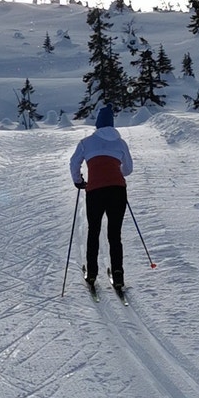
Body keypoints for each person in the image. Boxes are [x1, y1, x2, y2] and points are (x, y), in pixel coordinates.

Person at [68, 104, 133, 293]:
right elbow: (128, 169)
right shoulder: (120, 143)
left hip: (95, 190)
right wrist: (115, 173)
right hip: (118, 190)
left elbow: (74, 163)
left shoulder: (86, 142)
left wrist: (78, 181)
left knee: (93, 230)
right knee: (115, 234)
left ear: (97, 124)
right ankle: (118, 273)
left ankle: (92, 273)